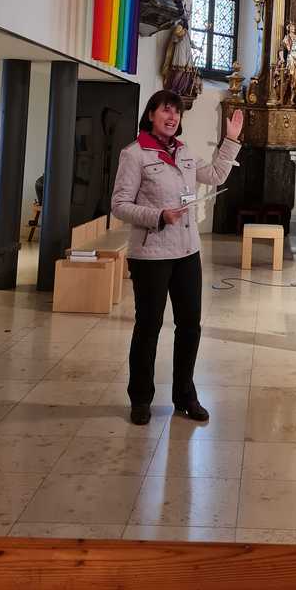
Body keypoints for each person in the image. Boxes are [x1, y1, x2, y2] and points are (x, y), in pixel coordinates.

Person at [111, 90, 243, 425]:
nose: (172, 118)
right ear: (151, 114)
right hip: (151, 254)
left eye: (177, 113)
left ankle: (185, 396)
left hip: (187, 252)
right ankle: (141, 399)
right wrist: (158, 215)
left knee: (189, 326)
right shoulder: (134, 154)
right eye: (166, 111)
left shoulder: (184, 153)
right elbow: (120, 205)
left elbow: (215, 176)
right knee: (148, 327)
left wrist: (230, 140)